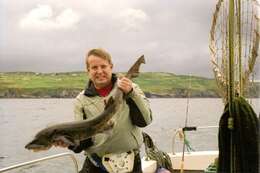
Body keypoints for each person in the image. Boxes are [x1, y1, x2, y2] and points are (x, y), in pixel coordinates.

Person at [67, 48, 152, 173]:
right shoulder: (81, 101)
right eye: (94, 67)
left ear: (111, 67)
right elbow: (83, 141)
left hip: (132, 163)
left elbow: (145, 121)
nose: (99, 71)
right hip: (97, 165)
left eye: (103, 66)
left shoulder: (131, 88)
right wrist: (69, 142)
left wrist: (131, 94)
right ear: (88, 71)